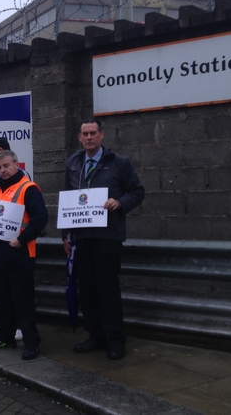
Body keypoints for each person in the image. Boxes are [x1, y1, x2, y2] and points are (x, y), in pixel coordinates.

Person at [64, 118, 145, 360]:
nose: (89, 137)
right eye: (84, 134)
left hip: (107, 237)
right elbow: (67, 201)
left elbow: (138, 191)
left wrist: (120, 203)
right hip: (82, 238)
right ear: (80, 138)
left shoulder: (118, 163)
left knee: (108, 291)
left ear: (102, 135)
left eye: (93, 133)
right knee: (87, 290)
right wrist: (65, 235)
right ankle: (95, 335)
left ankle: (116, 339)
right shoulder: (72, 164)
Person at [0, 150, 48, 360]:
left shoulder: (28, 188)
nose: (3, 170)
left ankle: (31, 342)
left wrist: (22, 239)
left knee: (23, 301)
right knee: (1, 300)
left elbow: (40, 219)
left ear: (16, 164)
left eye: (6, 166)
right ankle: (4, 336)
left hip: (19, 252)